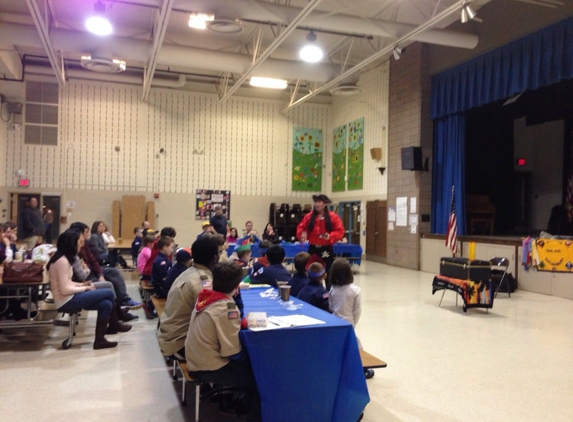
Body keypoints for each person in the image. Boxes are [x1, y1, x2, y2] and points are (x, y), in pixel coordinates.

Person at [185, 260, 260, 418]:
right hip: (208, 367)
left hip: (195, 358)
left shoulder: (206, 296)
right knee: (260, 373)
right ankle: (245, 409)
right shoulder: (225, 309)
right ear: (236, 285)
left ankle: (233, 399)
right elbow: (233, 352)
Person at [48, 229, 131, 350]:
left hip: (70, 296)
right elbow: (65, 290)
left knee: (106, 303)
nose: (81, 245)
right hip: (66, 300)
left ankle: (100, 340)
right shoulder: (62, 261)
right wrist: (85, 288)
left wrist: (81, 285)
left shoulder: (65, 259)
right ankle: (114, 324)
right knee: (108, 292)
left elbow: (68, 282)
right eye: (78, 242)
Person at [157, 236, 220, 360]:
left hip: (169, 335)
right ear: (215, 257)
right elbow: (211, 318)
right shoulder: (203, 283)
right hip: (179, 343)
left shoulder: (187, 272)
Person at [70, 222, 142, 312]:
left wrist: (100, 274)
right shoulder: (79, 246)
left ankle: (124, 300)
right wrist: (92, 272)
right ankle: (118, 310)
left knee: (113, 271)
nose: (88, 234)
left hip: (92, 271)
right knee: (110, 281)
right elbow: (83, 273)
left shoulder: (86, 243)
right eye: (86, 232)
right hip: (87, 277)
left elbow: (93, 260)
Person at [296, 193, 345, 287]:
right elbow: (300, 228)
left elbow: (340, 231)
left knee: (328, 274)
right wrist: (302, 233)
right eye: (315, 202)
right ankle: (312, 293)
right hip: (313, 248)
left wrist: (330, 236)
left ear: (325, 204)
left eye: (319, 202)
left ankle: (328, 296)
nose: (317, 204)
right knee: (311, 271)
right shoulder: (309, 216)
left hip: (326, 249)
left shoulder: (333, 217)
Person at [328, 258, 361, 327]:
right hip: (349, 323)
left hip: (334, 322)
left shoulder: (333, 289)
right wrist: (353, 323)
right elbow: (357, 311)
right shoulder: (356, 290)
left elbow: (331, 306)